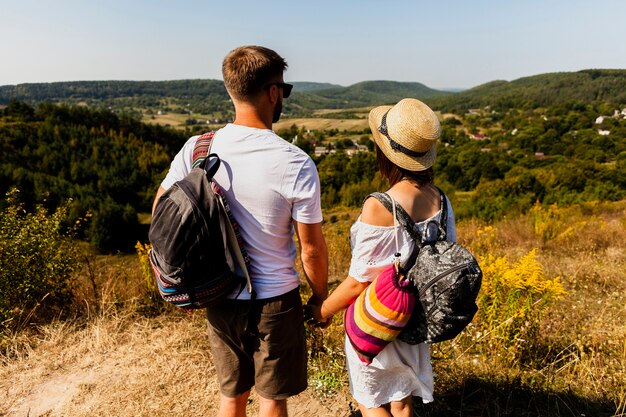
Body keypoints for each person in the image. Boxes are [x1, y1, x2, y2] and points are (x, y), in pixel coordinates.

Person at [153, 46, 329, 417]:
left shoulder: (197, 148)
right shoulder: (295, 162)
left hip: (218, 292)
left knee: (231, 397)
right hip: (276, 302)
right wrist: (319, 298)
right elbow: (310, 250)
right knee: (271, 400)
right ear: (272, 92)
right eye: (285, 89)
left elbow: (160, 213)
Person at [307, 98, 456, 417]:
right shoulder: (441, 200)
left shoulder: (380, 206)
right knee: (402, 401)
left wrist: (321, 310)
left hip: (379, 319)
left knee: (370, 400)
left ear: (385, 153)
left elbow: (359, 281)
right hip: (416, 320)